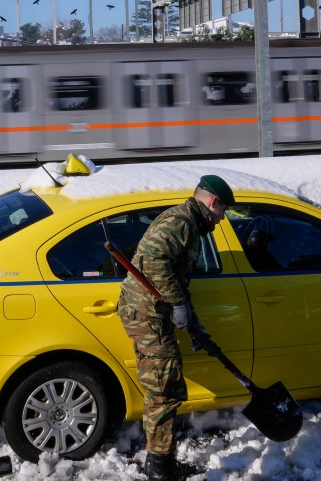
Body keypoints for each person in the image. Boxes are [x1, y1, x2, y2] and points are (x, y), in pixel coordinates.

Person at [117, 174, 237, 481]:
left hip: (151, 312)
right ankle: (161, 470)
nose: (223, 219)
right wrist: (177, 304)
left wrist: (192, 321)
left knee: (163, 386)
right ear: (214, 203)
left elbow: (177, 278)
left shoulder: (189, 222)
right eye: (223, 211)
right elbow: (154, 262)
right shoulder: (181, 221)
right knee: (164, 388)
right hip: (146, 314)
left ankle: (160, 462)